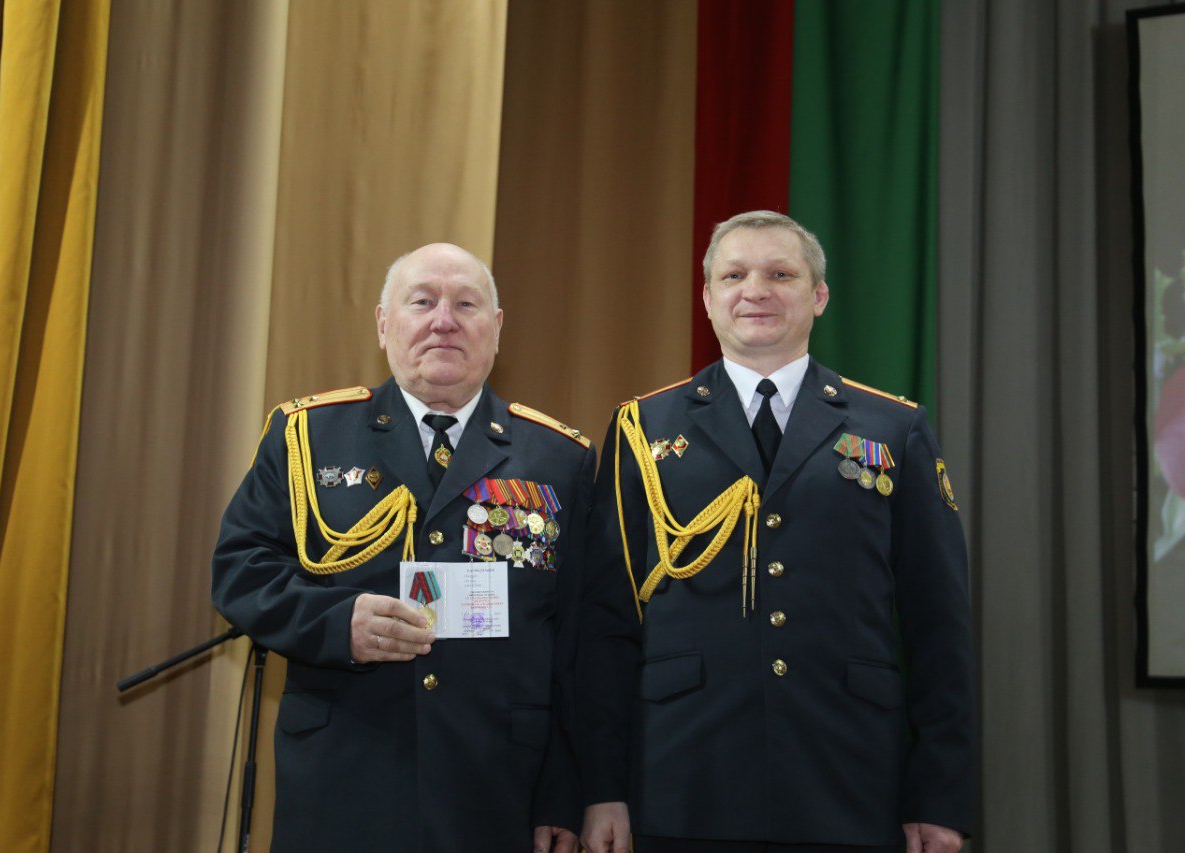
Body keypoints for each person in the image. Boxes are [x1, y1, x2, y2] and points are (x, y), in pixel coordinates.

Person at [577, 211, 973, 853]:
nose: (755, 290)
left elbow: (939, 626)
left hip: (848, 776)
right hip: (681, 778)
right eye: (733, 275)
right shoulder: (642, 428)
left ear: (819, 296)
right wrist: (602, 787)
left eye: (780, 275)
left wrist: (939, 796)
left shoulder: (893, 428)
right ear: (707, 298)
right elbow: (606, 624)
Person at [212, 243, 594, 852]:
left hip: (497, 787)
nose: (444, 321)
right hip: (344, 773)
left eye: (466, 304)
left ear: (496, 329)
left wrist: (563, 792)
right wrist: (338, 624)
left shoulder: (559, 457)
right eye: (422, 302)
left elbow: (578, 640)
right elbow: (241, 572)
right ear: (383, 324)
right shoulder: (307, 435)